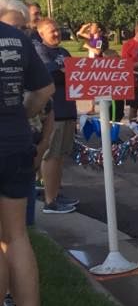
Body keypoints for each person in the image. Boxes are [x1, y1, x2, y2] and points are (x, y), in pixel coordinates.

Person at [0, 0, 55, 306]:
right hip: (14, 142)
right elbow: (44, 90)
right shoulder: (17, 38)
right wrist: (19, 116)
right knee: (15, 236)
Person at [33, 19, 80, 214]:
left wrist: (66, 72)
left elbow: (76, 74)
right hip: (55, 112)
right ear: (41, 34)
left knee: (60, 156)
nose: (56, 34)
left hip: (69, 109)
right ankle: (50, 201)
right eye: (52, 31)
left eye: (58, 30)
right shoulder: (40, 51)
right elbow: (53, 76)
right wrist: (66, 73)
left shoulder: (63, 52)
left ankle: (56, 193)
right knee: (50, 156)